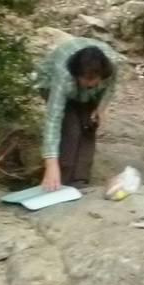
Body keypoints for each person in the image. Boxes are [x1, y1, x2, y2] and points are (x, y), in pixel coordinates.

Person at [35, 35, 124, 192]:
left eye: (93, 79)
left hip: (86, 89)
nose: (90, 83)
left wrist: (100, 108)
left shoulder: (111, 66)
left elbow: (110, 88)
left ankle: (80, 179)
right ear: (77, 74)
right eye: (86, 79)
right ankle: (60, 178)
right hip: (50, 82)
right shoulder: (63, 75)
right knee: (71, 129)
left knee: (89, 124)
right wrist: (51, 164)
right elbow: (53, 120)